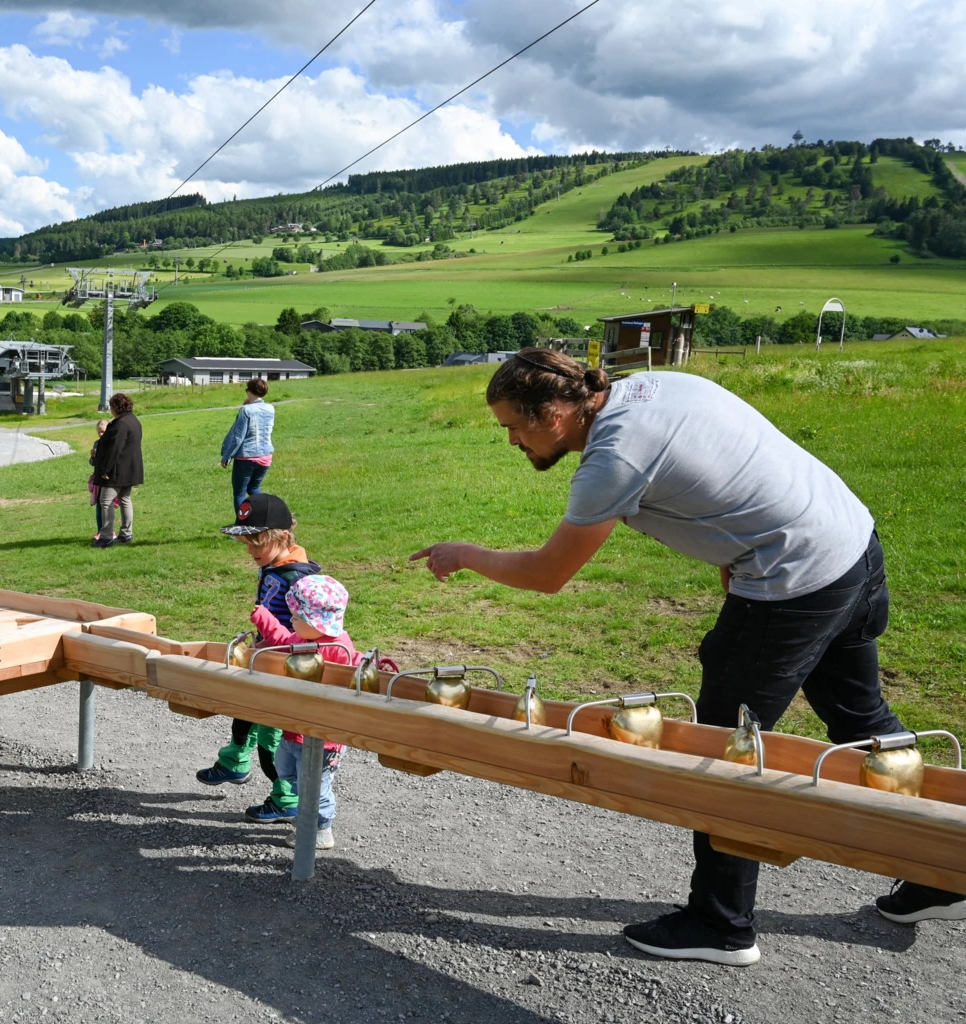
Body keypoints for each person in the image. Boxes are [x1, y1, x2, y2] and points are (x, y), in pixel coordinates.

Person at [409, 346, 963, 967]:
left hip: (793, 579)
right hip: (850, 544)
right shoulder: (652, 387)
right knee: (861, 718)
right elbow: (730, 466)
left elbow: (547, 574)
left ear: (557, 411)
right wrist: (737, 551)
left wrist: (462, 554)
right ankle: (946, 867)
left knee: (729, 746)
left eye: (514, 425)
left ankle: (721, 925)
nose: (510, 439)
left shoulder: (612, 460)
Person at [195, 493, 320, 819]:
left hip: (283, 665)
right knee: (243, 709)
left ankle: (287, 799)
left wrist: (279, 645)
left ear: (282, 537)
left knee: (271, 739)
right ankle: (234, 762)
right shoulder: (275, 565)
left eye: (256, 544)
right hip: (264, 656)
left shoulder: (299, 579)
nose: (250, 552)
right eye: (247, 544)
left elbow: (313, 633)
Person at [247, 573, 355, 849]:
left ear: (316, 621)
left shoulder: (337, 649)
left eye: (297, 617)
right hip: (294, 729)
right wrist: (265, 619)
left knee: (315, 786)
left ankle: (321, 829)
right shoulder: (303, 638)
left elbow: (345, 678)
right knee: (286, 772)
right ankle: (303, 815)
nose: (292, 621)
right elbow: (283, 641)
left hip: (323, 735)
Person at [91, 393, 142, 548]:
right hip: (130, 469)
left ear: (115, 407)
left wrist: (105, 469)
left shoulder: (121, 424)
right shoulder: (134, 421)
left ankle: (106, 537)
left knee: (105, 501)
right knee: (125, 500)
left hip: (117, 471)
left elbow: (115, 449)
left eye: (111, 407)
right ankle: (126, 534)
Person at [220, 377, 276, 511]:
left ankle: (241, 527)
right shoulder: (270, 409)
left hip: (247, 457)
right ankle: (269, 513)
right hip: (265, 456)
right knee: (254, 488)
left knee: (240, 492)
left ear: (250, 392)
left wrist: (226, 456)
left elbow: (238, 437)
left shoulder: (246, 411)